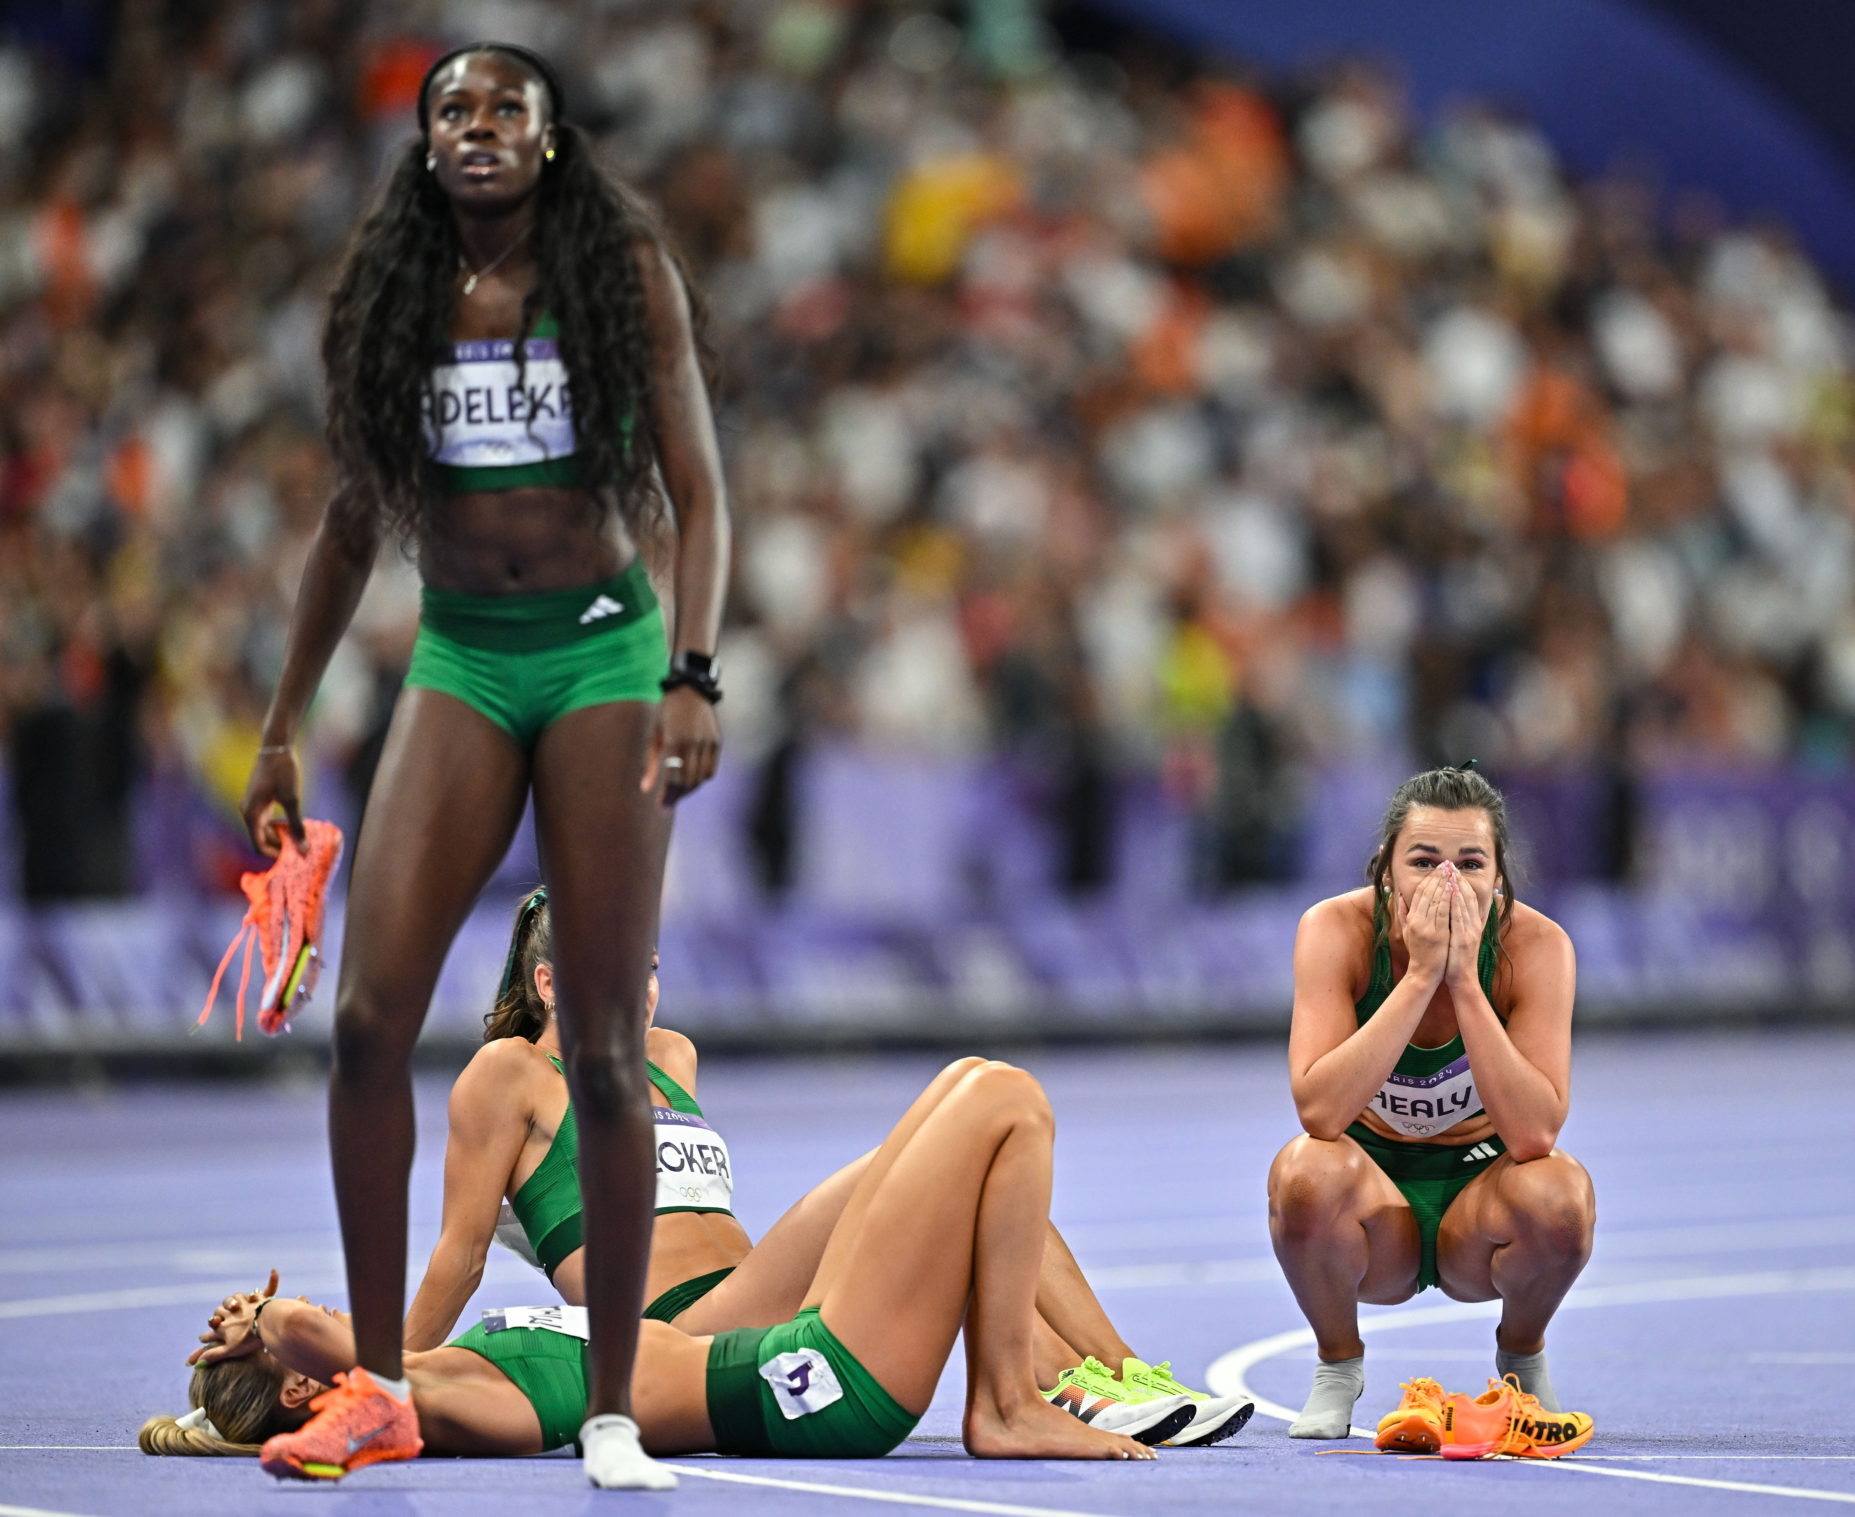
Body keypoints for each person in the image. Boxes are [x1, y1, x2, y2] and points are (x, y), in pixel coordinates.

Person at [237, 41, 729, 1489]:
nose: (478, 126)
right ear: (428, 143)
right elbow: (346, 521)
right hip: (461, 653)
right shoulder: (394, 297)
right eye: (451, 109)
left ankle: (618, 1407)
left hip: (599, 655)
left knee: (601, 1051)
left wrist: (691, 673)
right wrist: (280, 723)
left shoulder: (618, 271)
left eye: (504, 106)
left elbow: (700, 487)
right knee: (370, 1019)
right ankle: (383, 1383)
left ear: (551, 137)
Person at [402, 888, 1254, 1448]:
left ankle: (1113, 1372)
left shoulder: (672, 1057)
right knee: (930, 1156)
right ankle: (1065, 1384)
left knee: (966, 1188)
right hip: (675, 1330)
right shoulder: (506, 1075)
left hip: (761, 1293)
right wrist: (382, 1375)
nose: (644, 991)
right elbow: (462, 1254)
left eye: (650, 969)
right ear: (550, 984)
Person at [143, 1062, 1197, 1477]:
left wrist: (241, 1367)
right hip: (807, 1383)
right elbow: (367, 1353)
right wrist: (274, 1316)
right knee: (1005, 1099)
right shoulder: (454, 1401)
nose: (317, 1305)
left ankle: (1066, 1373)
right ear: (303, 1383)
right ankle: (1007, 1400)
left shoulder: (441, 1366)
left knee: (964, 1098)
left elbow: (382, 1349)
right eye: (304, 1326)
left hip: (776, 1351)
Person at [1266, 765, 1595, 1439]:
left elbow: (1535, 1133)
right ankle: (1337, 1362)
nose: (1448, 882)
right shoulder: (1335, 931)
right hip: (1371, 1201)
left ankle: (1522, 1353)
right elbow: (1321, 1113)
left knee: (1564, 1197)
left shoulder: (1538, 946)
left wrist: (1467, 985)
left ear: (1499, 878)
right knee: (1302, 1173)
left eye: (1471, 863)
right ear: (1385, 872)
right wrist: (1419, 976)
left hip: (1480, 1200)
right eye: (1424, 861)